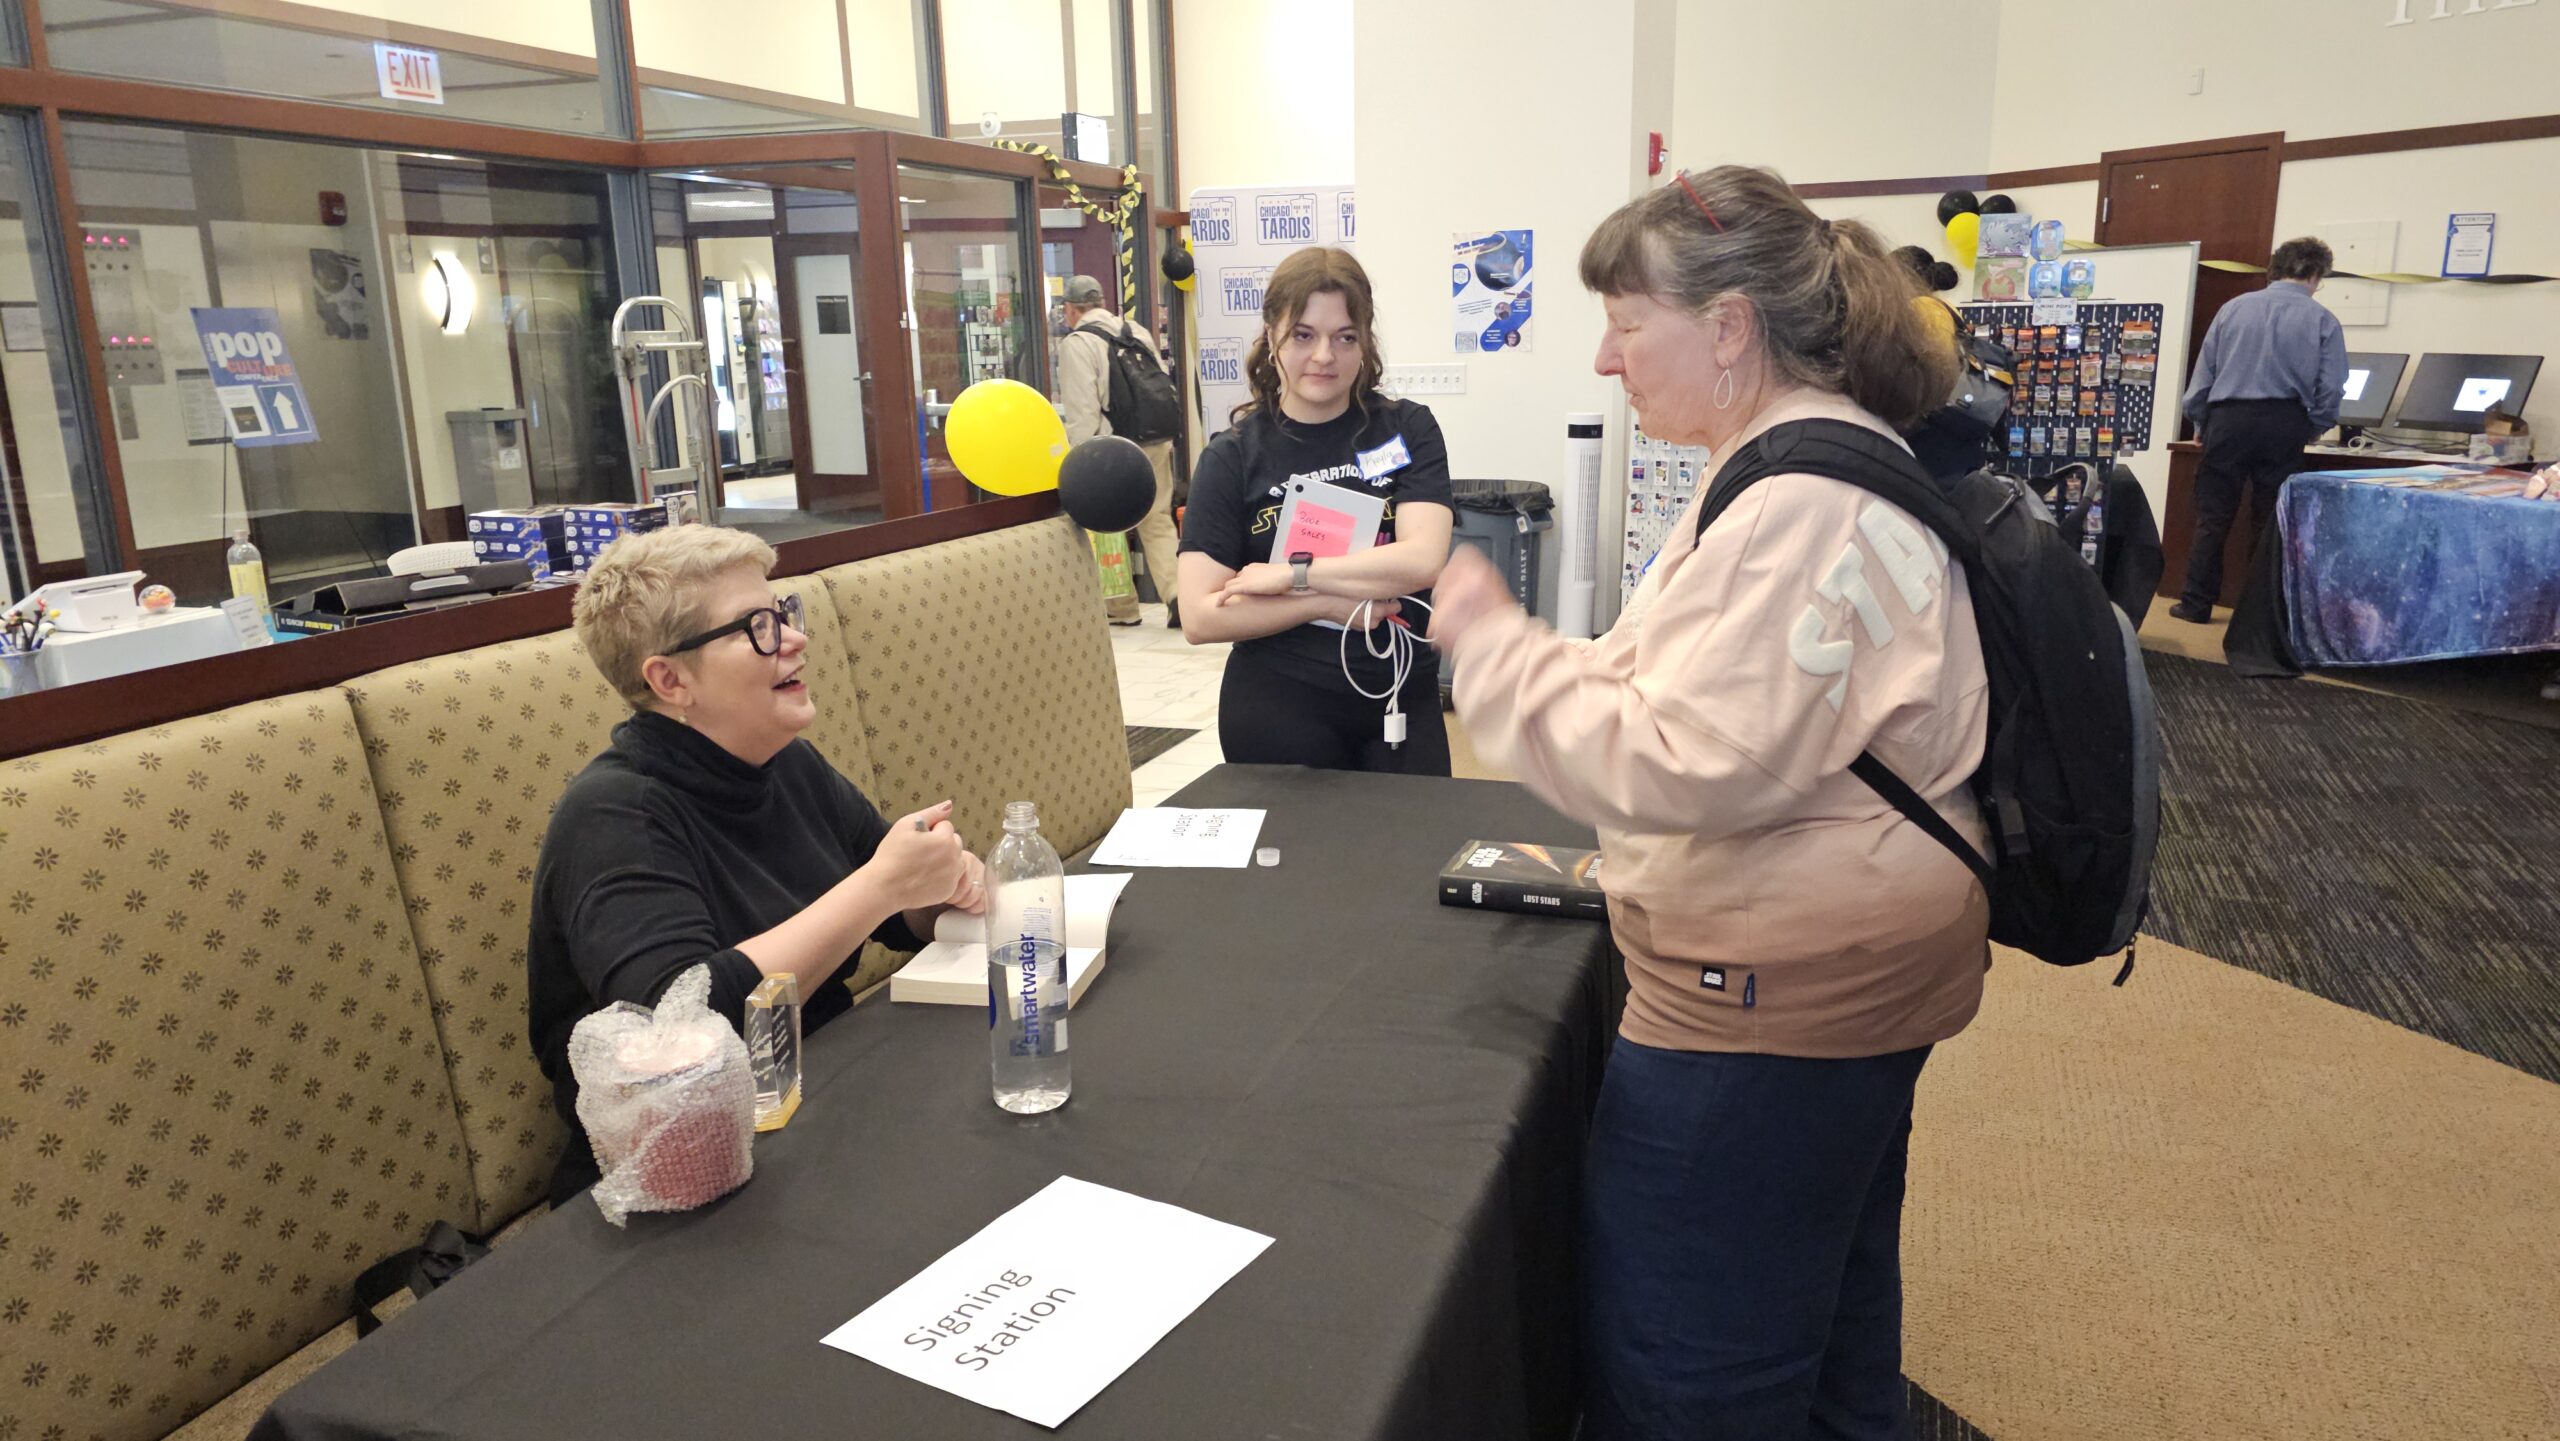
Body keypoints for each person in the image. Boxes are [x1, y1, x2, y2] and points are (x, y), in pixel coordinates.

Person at [1430, 165, 1989, 1440]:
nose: (1607, 359)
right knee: (1830, 1322)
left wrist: (1488, 641)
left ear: (1730, 326)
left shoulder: (1800, 504)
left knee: (1692, 1368)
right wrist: (1527, 649)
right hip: (1844, 979)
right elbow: (1658, 676)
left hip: (1769, 1011)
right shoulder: (1793, 467)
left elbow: (1679, 758)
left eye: (1629, 325)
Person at [527, 525, 985, 1204]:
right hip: (690, 1183)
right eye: (757, 627)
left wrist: (938, 886)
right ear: (670, 678)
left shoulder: (783, 761)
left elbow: (892, 913)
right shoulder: (615, 815)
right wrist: (883, 884)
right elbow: (681, 1024)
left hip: (824, 1102)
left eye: (785, 614)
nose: (794, 639)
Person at [1177, 246, 1456, 775]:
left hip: (1400, 697)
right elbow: (1197, 615)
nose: (1324, 355)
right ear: (1272, 335)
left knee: (1413, 854)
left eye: (1345, 337)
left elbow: (1422, 560)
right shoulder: (1232, 456)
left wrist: (1290, 575)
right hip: (1280, 704)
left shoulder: (1407, 429)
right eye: (1303, 335)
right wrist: (1319, 604)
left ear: (1365, 341)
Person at [2170, 236, 2346, 623]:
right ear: (2316, 274)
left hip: (2228, 421)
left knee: (2212, 517)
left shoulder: (2232, 310)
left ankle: (2196, 604)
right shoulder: (2323, 320)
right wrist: (2312, 426)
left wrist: (2200, 420)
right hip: (2284, 423)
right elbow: (2331, 388)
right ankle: (2256, 615)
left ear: (2275, 269)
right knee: (2270, 523)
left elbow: (2204, 377)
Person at [1059, 274, 1181, 627]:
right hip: (1154, 439)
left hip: (1113, 448)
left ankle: (1121, 605)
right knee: (1157, 518)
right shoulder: (1135, 331)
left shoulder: (1079, 342)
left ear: (1070, 310)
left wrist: (1080, 461)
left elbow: (1083, 410)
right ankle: (1178, 596)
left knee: (1106, 522)